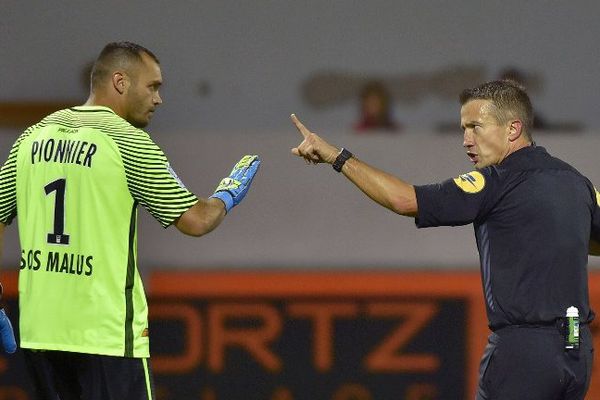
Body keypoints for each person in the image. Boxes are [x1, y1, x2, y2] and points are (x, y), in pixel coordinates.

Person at [290, 80, 598, 400]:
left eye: (475, 127)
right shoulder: (577, 183)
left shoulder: (495, 181)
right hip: (577, 349)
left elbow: (404, 200)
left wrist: (336, 158)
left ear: (513, 129)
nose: (466, 140)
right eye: (463, 128)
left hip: (524, 353)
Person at [0, 41, 260, 400]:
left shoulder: (33, 136)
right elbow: (196, 221)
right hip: (106, 337)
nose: (159, 99)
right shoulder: (127, 141)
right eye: (153, 86)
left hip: (39, 333)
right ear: (121, 82)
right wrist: (227, 195)